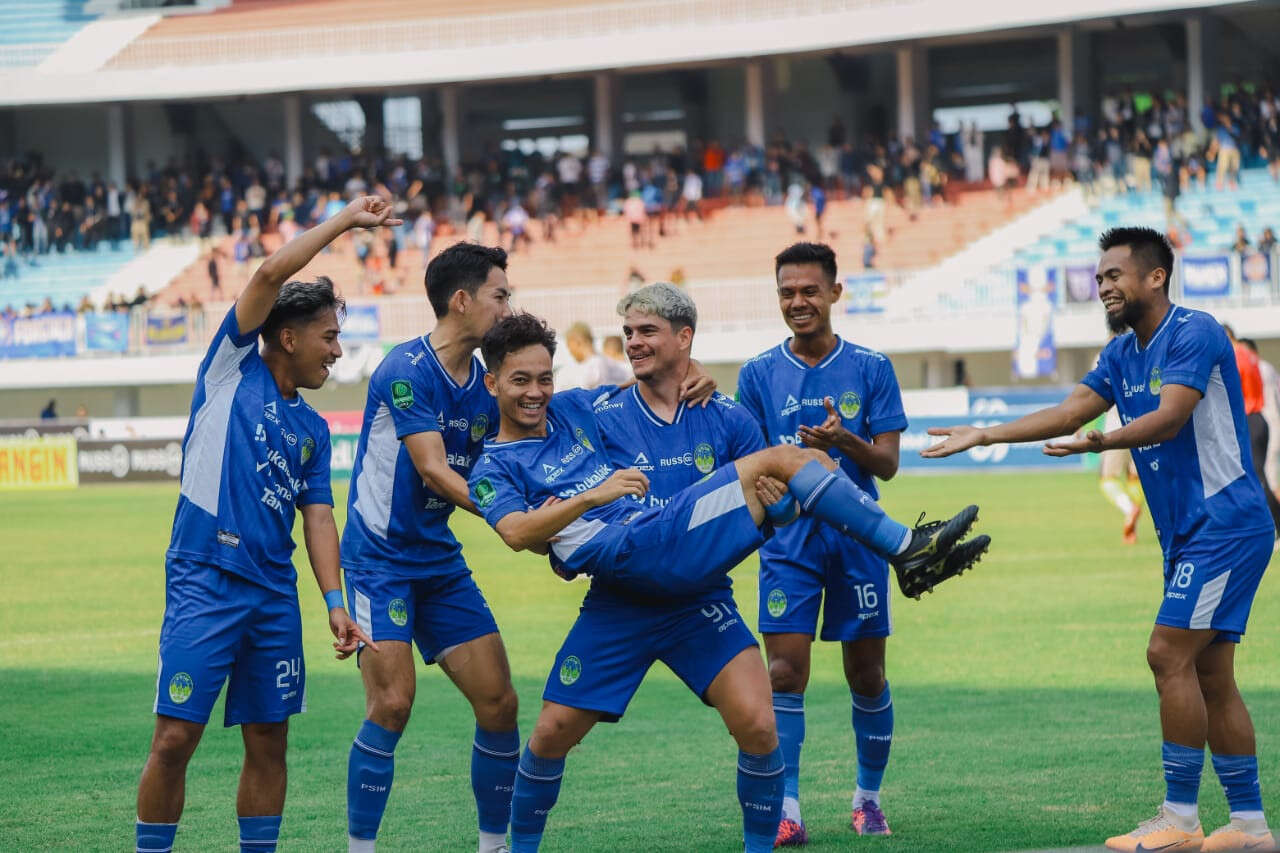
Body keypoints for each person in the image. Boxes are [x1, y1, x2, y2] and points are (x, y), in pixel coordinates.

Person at [467, 313, 988, 853]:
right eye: (520, 381)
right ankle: (907, 550)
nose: (536, 392)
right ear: (492, 383)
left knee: (761, 726)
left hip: (685, 584)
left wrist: (695, 377)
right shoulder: (492, 469)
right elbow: (513, 531)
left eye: (544, 378)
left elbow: (638, 384)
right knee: (550, 734)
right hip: (631, 563)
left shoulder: (575, 408)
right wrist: (590, 499)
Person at [923, 226, 1274, 853]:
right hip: (1192, 533)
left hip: (1225, 525)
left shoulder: (1194, 331)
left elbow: (1169, 417)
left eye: (1114, 275)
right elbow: (1069, 410)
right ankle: (1248, 827)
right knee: (1211, 672)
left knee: (1168, 655)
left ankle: (1180, 820)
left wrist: (1100, 443)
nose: (1102, 286)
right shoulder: (1120, 353)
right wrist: (984, 434)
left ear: (1155, 277)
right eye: (1100, 277)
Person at [134, 196, 392, 853]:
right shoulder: (228, 369)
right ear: (288, 335)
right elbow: (271, 274)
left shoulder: (311, 427)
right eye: (329, 336)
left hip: (273, 595)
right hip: (205, 579)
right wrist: (343, 222)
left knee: (270, 738)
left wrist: (335, 601)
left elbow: (319, 517)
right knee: (174, 737)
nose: (337, 351)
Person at [736, 242, 963, 843]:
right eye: (787, 291)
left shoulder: (871, 367)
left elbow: (886, 465)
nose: (798, 302)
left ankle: (867, 798)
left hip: (858, 542)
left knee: (866, 675)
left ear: (836, 293)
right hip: (788, 544)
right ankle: (788, 808)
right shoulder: (757, 375)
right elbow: (754, 463)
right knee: (783, 673)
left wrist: (845, 442)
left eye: (810, 290)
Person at [339, 243, 520, 853]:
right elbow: (436, 471)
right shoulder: (406, 369)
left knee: (499, 702)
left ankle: (493, 848)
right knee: (392, 703)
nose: (508, 306)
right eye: (500, 294)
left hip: (437, 561)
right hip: (377, 561)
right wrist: (509, 518)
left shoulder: (486, 381)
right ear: (462, 300)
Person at [1224, 325, 1280, 534]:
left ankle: (1274, 525)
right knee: (1256, 475)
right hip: (1260, 417)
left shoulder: (1235, 358)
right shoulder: (1250, 355)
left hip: (1248, 417)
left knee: (1257, 476)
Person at [1098, 406, 1145, 544]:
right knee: (1134, 478)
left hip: (1116, 429)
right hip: (1144, 426)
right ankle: (1133, 525)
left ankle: (1130, 509)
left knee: (1108, 479)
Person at [557, 322, 630, 390]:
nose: (570, 352)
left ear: (577, 342)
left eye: (569, 347)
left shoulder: (592, 367)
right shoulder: (610, 363)